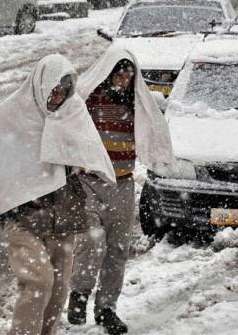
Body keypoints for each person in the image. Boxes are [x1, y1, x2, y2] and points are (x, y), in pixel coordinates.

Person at [0, 55, 116, 335]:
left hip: (62, 215)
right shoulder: (14, 114)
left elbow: (87, 148)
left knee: (59, 289)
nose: (58, 96)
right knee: (38, 282)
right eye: (54, 89)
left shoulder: (70, 112)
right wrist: (11, 199)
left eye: (65, 91)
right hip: (22, 217)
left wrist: (81, 163)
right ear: (41, 85)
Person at [67, 48, 173, 334]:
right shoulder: (89, 101)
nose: (123, 80)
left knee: (117, 249)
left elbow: (154, 133)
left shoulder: (137, 104)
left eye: (128, 75)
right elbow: (67, 129)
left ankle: (106, 308)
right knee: (91, 241)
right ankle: (79, 293)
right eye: (119, 74)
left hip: (122, 184)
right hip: (88, 182)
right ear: (108, 73)